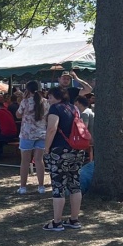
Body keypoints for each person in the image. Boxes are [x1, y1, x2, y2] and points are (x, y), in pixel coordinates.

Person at [42, 86, 84, 231]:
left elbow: (52, 128)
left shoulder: (55, 109)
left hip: (59, 151)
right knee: (74, 184)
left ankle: (57, 222)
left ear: (57, 97)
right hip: (77, 149)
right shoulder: (74, 108)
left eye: (50, 97)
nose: (48, 99)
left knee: (58, 185)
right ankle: (74, 219)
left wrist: (46, 148)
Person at [17, 81, 48, 195]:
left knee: (25, 161)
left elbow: (18, 114)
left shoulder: (25, 101)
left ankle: (23, 187)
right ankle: (41, 186)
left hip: (27, 134)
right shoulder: (45, 102)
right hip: (41, 133)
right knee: (39, 160)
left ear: (27, 90)